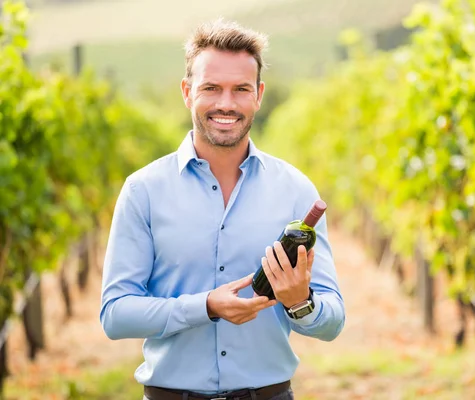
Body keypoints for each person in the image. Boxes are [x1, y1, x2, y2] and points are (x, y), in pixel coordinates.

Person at [99, 18, 345, 400]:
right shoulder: (143, 191)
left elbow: (332, 322)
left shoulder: (296, 190)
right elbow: (115, 315)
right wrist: (206, 306)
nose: (226, 104)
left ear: (259, 94)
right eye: (211, 88)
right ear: (187, 92)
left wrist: (300, 303)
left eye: (241, 89)